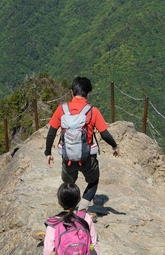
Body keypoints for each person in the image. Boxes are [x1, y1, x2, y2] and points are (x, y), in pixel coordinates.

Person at [45, 76, 119, 212]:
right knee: (93, 181)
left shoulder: (62, 109)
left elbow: (51, 132)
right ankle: (82, 209)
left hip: (68, 158)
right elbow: (105, 134)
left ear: (72, 92)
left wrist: (48, 153)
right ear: (88, 94)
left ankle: (68, 210)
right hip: (87, 159)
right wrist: (115, 146)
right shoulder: (92, 111)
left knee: (68, 185)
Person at [43, 183, 99, 255]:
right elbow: (93, 243)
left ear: (58, 200)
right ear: (78, 200)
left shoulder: (54, 223)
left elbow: (48, 250)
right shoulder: (86, 217)